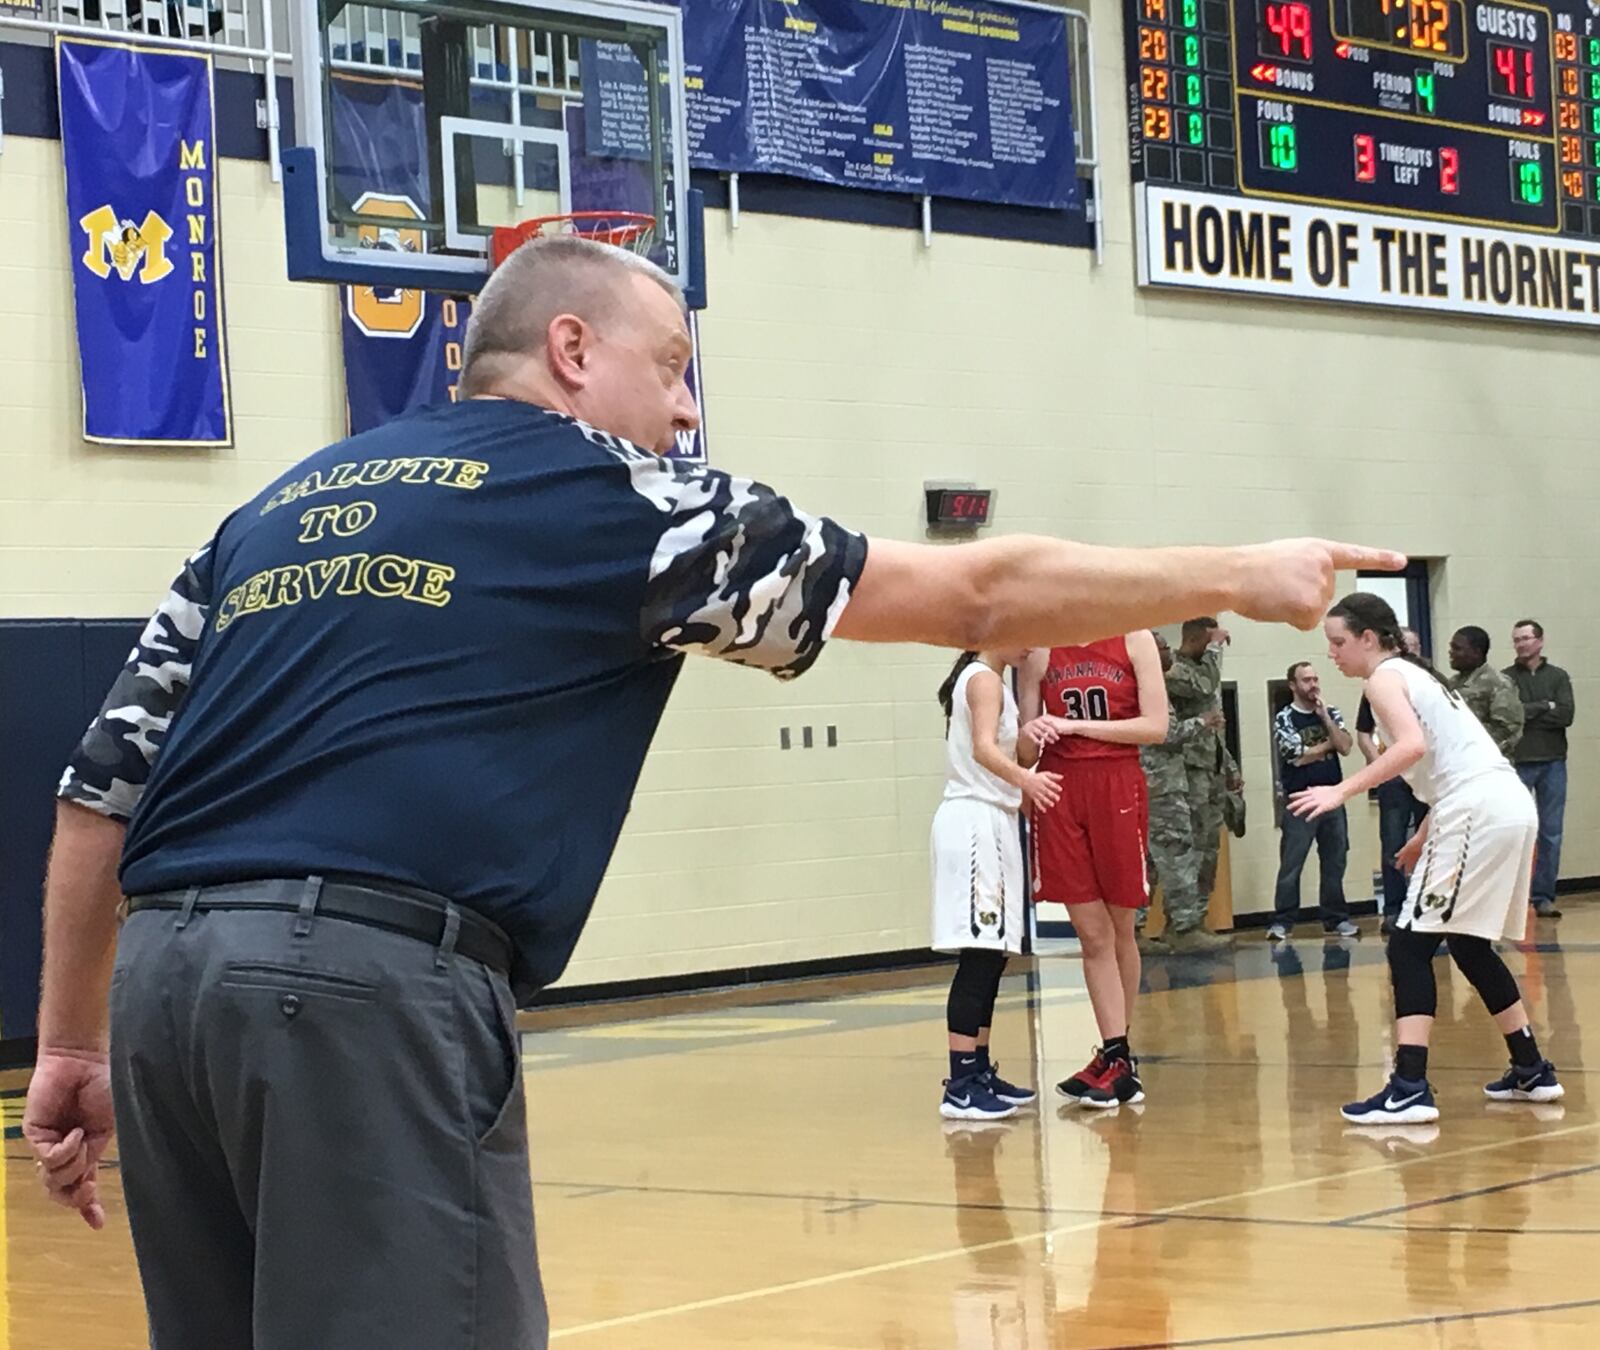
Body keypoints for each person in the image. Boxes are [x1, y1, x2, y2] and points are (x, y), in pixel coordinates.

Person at [22, 234, 1404, 1349]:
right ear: (572, 351)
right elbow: (973, 592)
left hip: (162, 996)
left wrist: (72, 1043)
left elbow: (100, 794)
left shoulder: (268, 511)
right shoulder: (630, 500)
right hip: (364, 993)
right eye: (674, 365)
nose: (689, 406)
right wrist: (1233, 571)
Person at [1290, 593, 1561, 1125]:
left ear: (1369, 638)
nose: (1333, 654)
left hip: (1478, 810)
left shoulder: (1385, 677)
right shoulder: (1422, 677)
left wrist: (1341, 791)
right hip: (1502, 805)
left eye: (1338, 642)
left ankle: (1410, 1084)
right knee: (1468, 943)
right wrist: (1421, 839)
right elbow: (1457, 766)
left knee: (1409, 945)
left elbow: (1410, 746)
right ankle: (1531, 1067)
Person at [1021, 632, 1167, 1108]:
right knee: (1091, 932)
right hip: (1061, 788)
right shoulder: (1040, 646)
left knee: (1121, 926)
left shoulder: (1134, 637)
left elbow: (1155, 727)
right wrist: (1031, 735)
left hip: (1118, 781)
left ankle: (1118, 1053)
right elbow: (1026, 749)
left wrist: (1075, 726)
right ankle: (1115, 1055)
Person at [931, 650, 1057, 1120]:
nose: (1031, 643)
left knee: (994, 954)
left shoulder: (997, 681)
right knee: (978, 954)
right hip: (973, 822)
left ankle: (979, 1068)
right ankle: (960, 1083)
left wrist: (1026, 740)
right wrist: (1028, 778)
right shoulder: (982, 679)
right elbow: (984, 748)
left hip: (995, 820)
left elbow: (1001, 748)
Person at [1139, 632, 1232, 953]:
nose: (1170, 655)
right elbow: (1166, 732)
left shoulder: (1154, 684)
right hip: (1159, 784)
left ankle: (1167, 926)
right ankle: (1182, 927)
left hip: (1165, 781)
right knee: (1174, 851)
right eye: (1164, 649)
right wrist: (1201, 722)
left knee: (1159, 856)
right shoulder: (1146, 687)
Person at [1268, 662, 1360, 940]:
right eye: (1306, 680)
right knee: (1292, 862)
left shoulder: (1330, 713)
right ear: (1293, 686)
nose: (1313, 684)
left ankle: (1336, 918)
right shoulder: (1285, 717)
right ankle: (1282, 921)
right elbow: (1297, 756)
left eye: (1315, 678)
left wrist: (1326, 721)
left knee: (1335, 859)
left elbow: (1345, 746)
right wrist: (1327, 745)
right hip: (1300, 800)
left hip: (1333, 797)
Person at [1356, 627, 1429, 936]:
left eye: (1412, 646)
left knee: (1431, 842)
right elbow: (1362, 733)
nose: (1406, 651)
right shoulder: (1379, 684)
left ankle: (1428, 905)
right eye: (1402, 646)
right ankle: (1394, 909)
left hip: (1426, 776)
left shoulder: (1429, 683)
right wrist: (1383, 766)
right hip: (1395, 778)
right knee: (1393, 842)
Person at [1505, 619, 1574, 920]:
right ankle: (1510, 897)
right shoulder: (1506, 678)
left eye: (1526, 638)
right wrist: (1544, 706)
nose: (1521, 644)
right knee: (1514, 832)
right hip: (1518, 762)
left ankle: (1544, 896)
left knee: (1551, 833)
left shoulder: (1558, 676)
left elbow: (1566, 716)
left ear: (1540, 641)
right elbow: (1513, 715)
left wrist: (1532, 711)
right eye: (1517, 639)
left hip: (1553, 761)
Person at [1166, 619, 1231, 910]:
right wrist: (1215, 647)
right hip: (1188, 770)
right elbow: (1205, 686)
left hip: (1211, 766)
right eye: (1208, 644)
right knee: (1188, 846)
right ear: (1195, 640)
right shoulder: (1173, 669)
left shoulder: (1205, 667)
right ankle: (1182, 921)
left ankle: (1198, 916)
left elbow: (1215, 725)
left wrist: (1229, 766)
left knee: (1208, 846)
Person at [1447, 626, 1524, 759]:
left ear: (1476, 652)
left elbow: (1508, 728)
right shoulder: (1452, 683)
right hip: (1457, 762)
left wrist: (1474, 749)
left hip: (1486, 763)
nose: (1451, 652)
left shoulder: (1499, 683)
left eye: (1457, 648)